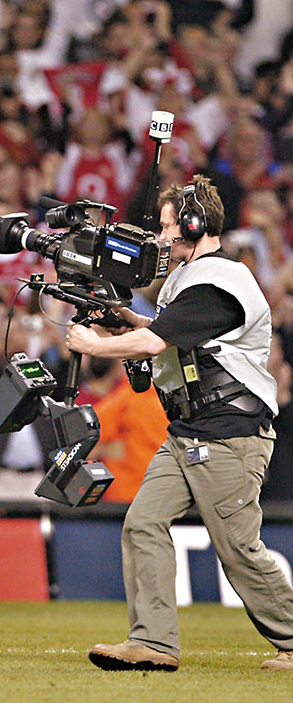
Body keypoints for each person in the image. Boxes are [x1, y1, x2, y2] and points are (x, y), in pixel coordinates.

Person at [66, 174, 293, 672]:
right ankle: (153, 642)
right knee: (143, 523)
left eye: (170, 226)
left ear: (195, 225)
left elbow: (157, 344)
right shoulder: (191, 278)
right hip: (189, 431)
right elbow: (172, 332)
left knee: (238, 549)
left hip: (229, 433)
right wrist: (130, 320)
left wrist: (96, 346)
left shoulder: (221, 281)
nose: (162, 236)